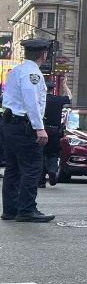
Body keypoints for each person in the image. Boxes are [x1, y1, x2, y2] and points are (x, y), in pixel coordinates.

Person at [1, 38, 55, 222]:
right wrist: (39, 128)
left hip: (10, 124)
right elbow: (31, 101)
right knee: (32, 168)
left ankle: (11, 209)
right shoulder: (33, 73)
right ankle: (27, 209)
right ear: (43, 54)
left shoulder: (16, 71)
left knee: (13, 169)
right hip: (24, 126)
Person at [41, 83, 71, 187]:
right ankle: (52, 170)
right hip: (55, 131)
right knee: (53, 153)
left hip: (42, 129)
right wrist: (64, 85)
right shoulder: (58, 100)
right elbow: (70, 96)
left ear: (44, 89)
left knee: (41, 154)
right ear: (53, 90)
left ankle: (41, 181)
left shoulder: (41, 99)